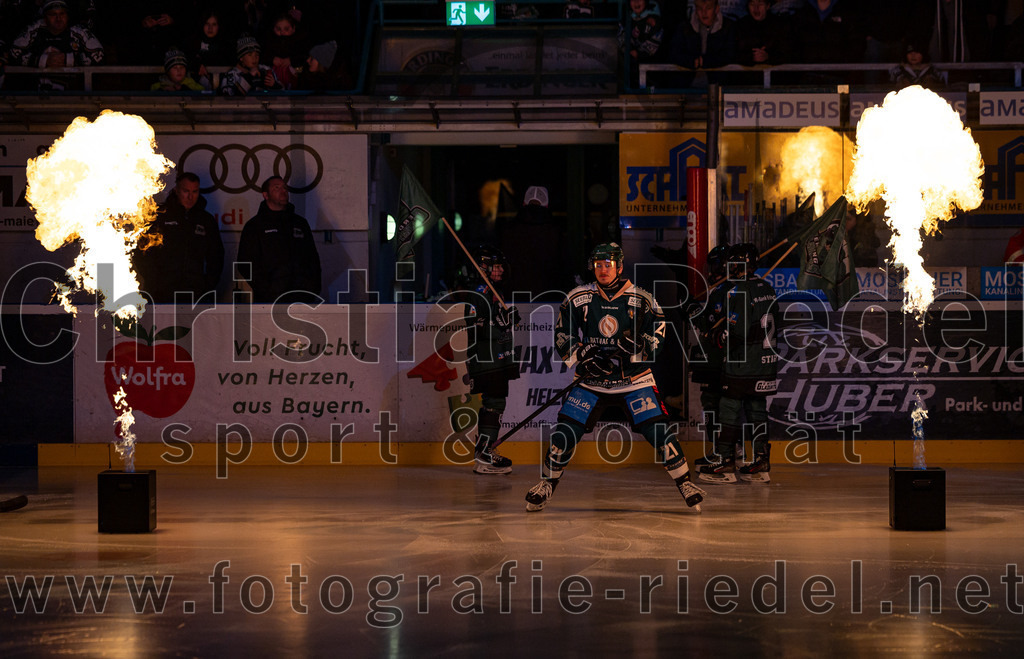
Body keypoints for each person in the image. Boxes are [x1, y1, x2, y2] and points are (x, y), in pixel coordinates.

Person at [524, 242, 707, 512]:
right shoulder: (579, 297)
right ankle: (547, 484)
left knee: (658, 431)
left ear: (619, 267)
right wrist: (583, 354)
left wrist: (635, 349)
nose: (602, 270)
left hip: (634, 379)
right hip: (593, 380)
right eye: (598, 265)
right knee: (565, 431)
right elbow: (563, 332)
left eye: (607, 265)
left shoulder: (642, 298)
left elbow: (658, 331)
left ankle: (685, 483)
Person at [697, 243, 778, 485]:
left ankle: (725, 463)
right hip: (766, 363)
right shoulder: (768, 288)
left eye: (733, 264)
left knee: (728, 407)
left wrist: (715, 336)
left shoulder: (737, 291)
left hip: (742, 364)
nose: (728, 268)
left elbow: (737, 333)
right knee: (757, 409)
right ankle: (762, 463)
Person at [461, 245, 521, 475]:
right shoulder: (479, 293)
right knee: (493, 403)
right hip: (486, 359)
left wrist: (506, 319)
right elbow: (474, 325)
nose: (501, 270)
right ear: (484, 267)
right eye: (496, 266)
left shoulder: (494, 291)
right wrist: (500, 324)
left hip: (496, 357)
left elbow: (495, 322)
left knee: (496, 402)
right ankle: (484, 454)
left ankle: (484, 451)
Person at [134, 172, 224, 303]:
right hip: (161, 293)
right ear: (176, 190)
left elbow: (216, 257)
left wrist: (206, 286)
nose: (190, 196)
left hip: (195, 294)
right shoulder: (158, 215)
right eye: (186, 191)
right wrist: (154, 282)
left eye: (195, 191)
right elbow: (141, 252)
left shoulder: (206, 220)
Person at [237, 175, 321, 303]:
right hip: (269, 301)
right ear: (265, 195)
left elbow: (313, 259)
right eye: (277, 188)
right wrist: (267, 291)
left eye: (285, 188)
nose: (283, 191)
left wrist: (312, 289)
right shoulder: (255, 226)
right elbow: (245, 264)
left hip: (303, 298)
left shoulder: (300, 223)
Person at [9, 0, 104, 69]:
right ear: (45, 18)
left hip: (71, 90)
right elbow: (14, 52)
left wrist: (67, 59)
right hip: (37, 91)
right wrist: (42, 60)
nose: (58, 18)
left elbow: (99, 55)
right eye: (53, 14)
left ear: (67, 15)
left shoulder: (79, 30)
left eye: (62, 14)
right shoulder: (34, 28)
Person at [669, 0, 738, 74]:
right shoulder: (684, 27)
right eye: (700, 9)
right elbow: (674, 53)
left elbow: (730, 54)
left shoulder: (728, 26)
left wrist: (705, 61)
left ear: (716, 8)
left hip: (718, 81)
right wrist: (692, 61)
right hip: (688, 82)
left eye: (708, 8)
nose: (704, 13)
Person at [734, 0, 794, 66]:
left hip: (775, 73)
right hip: (747, 74)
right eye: (752, 4)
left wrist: (768, 56)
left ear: (767, 6)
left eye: (760, 4)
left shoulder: (780, 25)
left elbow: (788, 53)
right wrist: (751, 57)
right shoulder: (740, 25)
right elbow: (734, 53)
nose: (756, 8)